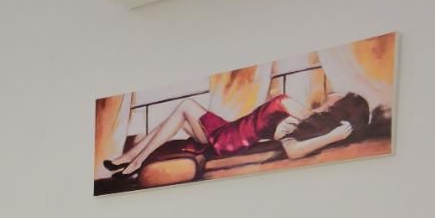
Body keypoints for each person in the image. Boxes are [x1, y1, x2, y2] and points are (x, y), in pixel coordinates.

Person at [105, 91, 370, 177]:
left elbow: (293, 150)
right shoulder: (304, 116)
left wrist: (332, 137)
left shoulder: (304, 122)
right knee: (180, 115)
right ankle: (131, 158)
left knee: (185, 107)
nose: (334, 91)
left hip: (230, 139)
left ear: (339, 106)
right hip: (231, 128)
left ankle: (134, 160)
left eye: (340, 94)